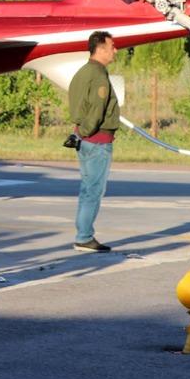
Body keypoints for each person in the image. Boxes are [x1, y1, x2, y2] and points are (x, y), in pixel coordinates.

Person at [68, 30, 119, 254]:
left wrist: (80, 133)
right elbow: (97, 110)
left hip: (84, 138)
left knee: (86, 188)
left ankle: (83, 234)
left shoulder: (83, 71)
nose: (115, 51)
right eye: (112, 46)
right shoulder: (98, 75)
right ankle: (84, 237)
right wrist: (87, 132)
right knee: (93, 190)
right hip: (96, 140)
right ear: (100, 49)